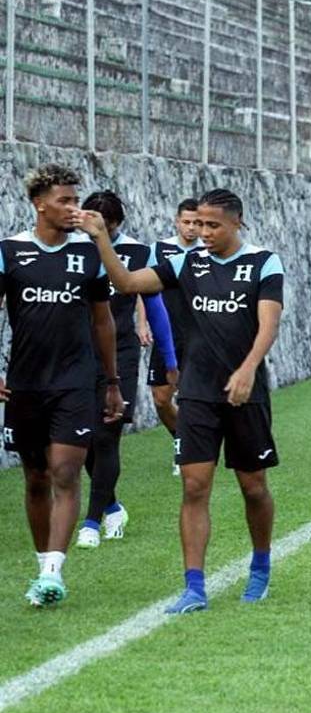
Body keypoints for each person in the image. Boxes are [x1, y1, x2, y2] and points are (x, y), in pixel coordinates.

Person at [78, 188, 284, 613]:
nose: (203, 232)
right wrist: (101, 237)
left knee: (254, 487)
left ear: (236, 224)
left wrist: (247, 369)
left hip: (247, 395)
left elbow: (269, 322)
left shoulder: (263, 262)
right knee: (194, 486)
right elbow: (127, 283)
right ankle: (194, 587)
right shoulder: (185, 261)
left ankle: (260, 566)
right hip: (197, 393)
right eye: (199, 224)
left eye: (213, 225)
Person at [1, 164, 124, 607]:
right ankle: (42, 565)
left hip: (75, 382)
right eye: (65, 201)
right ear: (39, 204)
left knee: (66, 473)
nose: (74, 208)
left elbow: (102, 320)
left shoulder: (89, 255)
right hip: (25, 384)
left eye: (76, 200)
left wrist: (111, 382)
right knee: (35, 478)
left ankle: (54, 572)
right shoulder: (9, 252)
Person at [75, 190, 177, 549]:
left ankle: (90, 521)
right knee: (83, 439)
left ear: (117, 223)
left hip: (122, 353)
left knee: (107, 435)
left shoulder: (137, 252)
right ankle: (114, 506)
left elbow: (157, 307)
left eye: (105, 224)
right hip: (76, 355)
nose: (96, 231)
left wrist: (169, 356)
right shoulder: (72, 248)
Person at [148, 199, 202, 475]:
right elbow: (143, 288)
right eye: (187, 222)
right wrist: (142, 323)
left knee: (192, 397)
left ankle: (187, 452)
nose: (191, 228)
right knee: (160, 398)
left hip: (199, 336)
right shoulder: (159, 249)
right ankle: (183, 441)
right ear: (177, 221)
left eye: (196, 222)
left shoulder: (208, 252)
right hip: (166, 334)